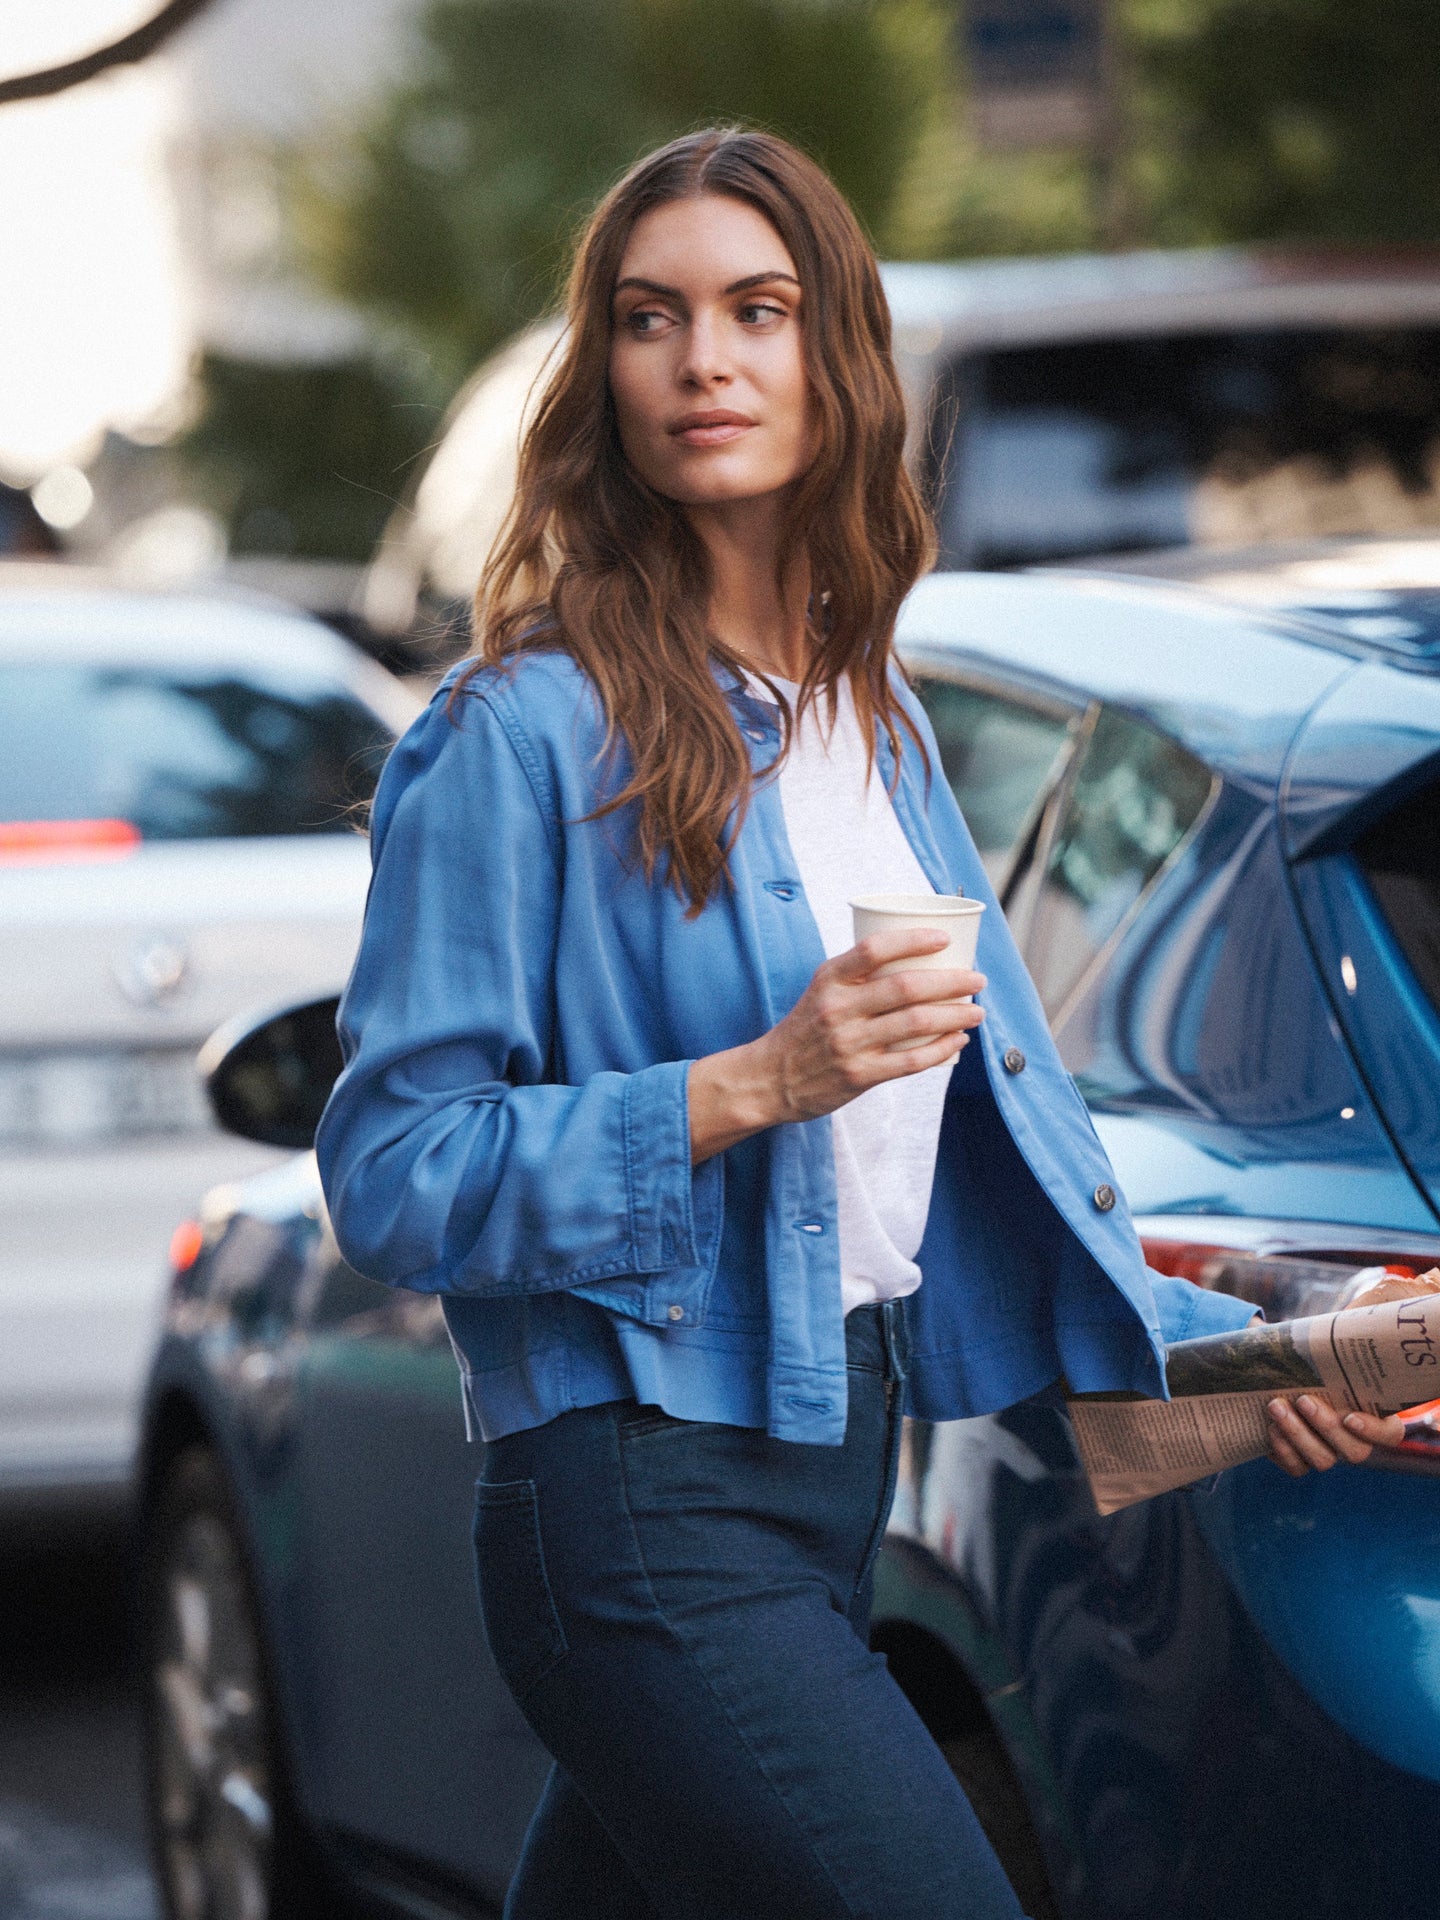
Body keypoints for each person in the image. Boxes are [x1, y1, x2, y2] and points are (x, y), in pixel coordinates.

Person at [316, 127, 1404, 1920]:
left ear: (840, 361)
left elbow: (974, 1204)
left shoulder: (873, 725)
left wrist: (1264, 1365)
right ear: (605, 374)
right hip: (643, 1523)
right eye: (652, 318)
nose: (704, 360)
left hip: (831, 1498)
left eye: (759, 310)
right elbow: (394, 1173)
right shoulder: (513, 739)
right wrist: (757, 1082)